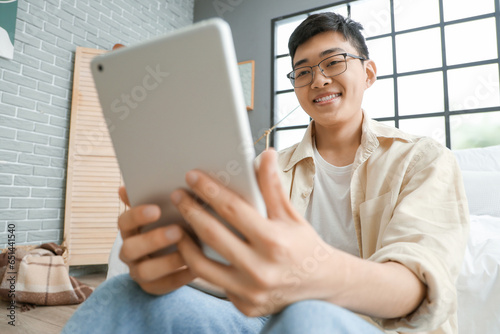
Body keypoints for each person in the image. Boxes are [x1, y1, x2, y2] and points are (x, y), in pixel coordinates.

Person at [62, 12, 469, 334]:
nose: (319, 79)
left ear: (368, 72)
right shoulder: (270, 168)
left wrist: (315, 277)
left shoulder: (424, 160)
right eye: (303, 70)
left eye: (334, 62)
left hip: (371, 327)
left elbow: (419, 287)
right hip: (265, 320)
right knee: (123, 293)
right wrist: (178, 257)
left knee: (308, 317)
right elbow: (238, 269)